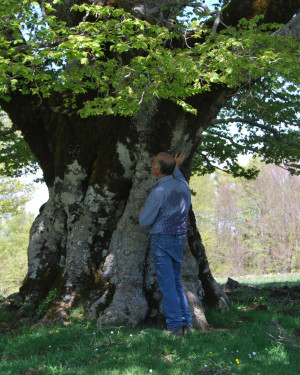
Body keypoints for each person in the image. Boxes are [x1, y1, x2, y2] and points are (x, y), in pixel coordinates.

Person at [139, 152, 192, 335]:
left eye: (153, 162)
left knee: (168, 285)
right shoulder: (182, 185)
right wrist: (176, 166)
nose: (151, 164)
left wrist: (143, 210)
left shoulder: (158, 192)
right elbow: (177, 174)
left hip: (162, 239)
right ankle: (186, 324)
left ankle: (175, 327)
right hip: (179, 238)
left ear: (158, 169)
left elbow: (145, 221)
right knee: (176, 283)